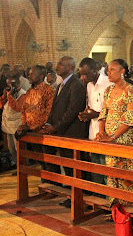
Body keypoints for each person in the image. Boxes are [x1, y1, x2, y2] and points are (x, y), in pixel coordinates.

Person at [41, 56, 88, 208]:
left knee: (75, 167)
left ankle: (81, 197)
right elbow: (55, 108)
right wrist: (48, 123)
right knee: (67, 166)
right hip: (62, 132)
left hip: (72, 132)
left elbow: (72, 110)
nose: (57, 66)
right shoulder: (61, 84)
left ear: (70, 68)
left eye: (61, 64)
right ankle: (71, 195)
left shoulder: (76, 84)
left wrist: (56, 127)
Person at [94, 59, 133, 207]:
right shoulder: (108, 90)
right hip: (109, 140)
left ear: (122, 72)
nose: (109, 72)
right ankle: (115, 209)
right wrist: (102, 133)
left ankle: (129, 211)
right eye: (108, 69)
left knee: (126, 176)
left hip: (124, 140)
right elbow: (103, 114)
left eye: (113, 69)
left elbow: (131, 117)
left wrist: (112, 137)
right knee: (112, 174)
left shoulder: (131, 90)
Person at [78, 58, 111, 197]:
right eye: (82, 74)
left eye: (86, 74)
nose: (84, 77)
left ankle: (109, 199)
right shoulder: (89, 85)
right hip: (93, 130)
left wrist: (94, 115)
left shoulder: (107, 83)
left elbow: (111, 110)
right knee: (95, 166)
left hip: (106, 131)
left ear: (95, 69)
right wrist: (86, 114)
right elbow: (93, 107)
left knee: (105, 167)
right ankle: (99, 198)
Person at [0, 73, 26, 171]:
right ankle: (17, 165)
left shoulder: (23, 94)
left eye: (10, 85)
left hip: (17, 126)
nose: (8, 87)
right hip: (8, 126)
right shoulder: (8, 93)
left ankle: (23, 167)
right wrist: (4, 96)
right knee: (11, 148)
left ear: (16, 84)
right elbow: (1, 105)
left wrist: (10, 97)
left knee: (18, 148)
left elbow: (18, 108)